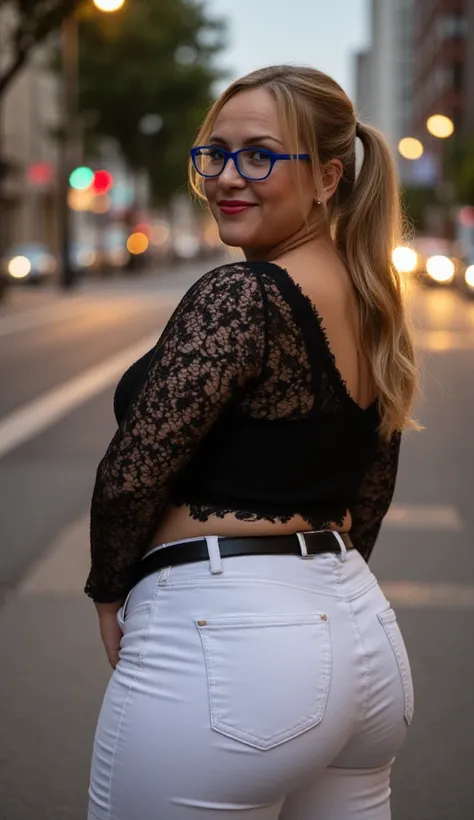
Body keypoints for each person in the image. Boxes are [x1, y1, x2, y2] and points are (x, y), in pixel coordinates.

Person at [86, 65, 418, 820]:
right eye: (215, 154)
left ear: (328, 177)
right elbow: (371, 488)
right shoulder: (371, 302)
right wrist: (319, 617)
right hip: (361, 641)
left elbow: (134, 472)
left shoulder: (245, 295)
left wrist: (109, 589)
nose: (228, 178)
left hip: (232, 648)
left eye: (260, 155)